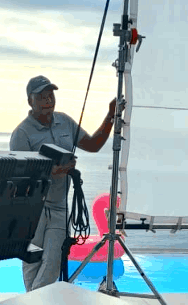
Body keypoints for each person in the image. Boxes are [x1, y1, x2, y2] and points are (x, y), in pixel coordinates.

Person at [10, 76, 118, 291]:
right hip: (33, 209)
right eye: (41, 96)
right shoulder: (21, 133)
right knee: (32, 262)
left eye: (50, 95)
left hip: (60, 206)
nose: (48, 100)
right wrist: (52, 173)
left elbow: (93, 144)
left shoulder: (65, 121)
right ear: (30, 101)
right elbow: (18, 177)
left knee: (53, 263)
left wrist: (111, 116)